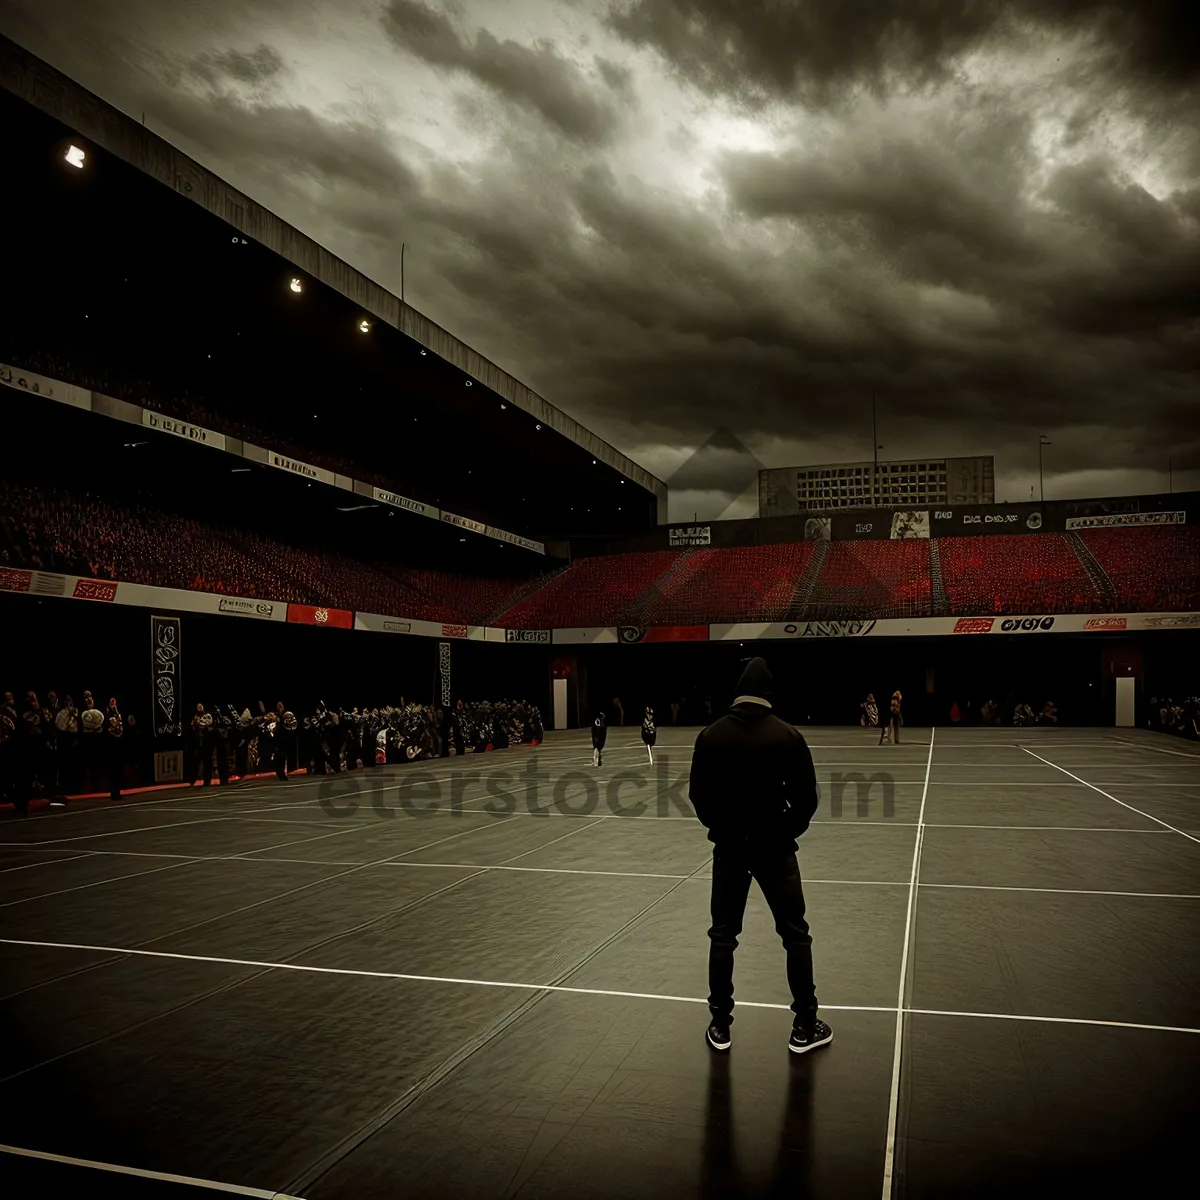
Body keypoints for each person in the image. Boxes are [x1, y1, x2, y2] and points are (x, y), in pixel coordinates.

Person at [689, 657, 830, 1056]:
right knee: (795, 935)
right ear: (770, 694)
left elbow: (698, 796)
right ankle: (805, 1024)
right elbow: (806, 802)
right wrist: (782, 832)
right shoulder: (788, 737)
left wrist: (722, 828)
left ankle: (720, 1025)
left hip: (730, 851)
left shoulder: (710, 736)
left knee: (723, 936)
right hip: (776, 850)